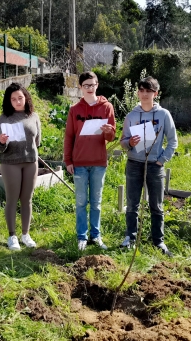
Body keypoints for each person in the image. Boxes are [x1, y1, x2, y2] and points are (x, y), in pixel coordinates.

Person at [120, 76, 178, 257]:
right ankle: (130, 237)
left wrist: (162, 160)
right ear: (137, 92)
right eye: (142, 90)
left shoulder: (163, 115)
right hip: (134, 164)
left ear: (156, 94)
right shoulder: (131, 116)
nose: (145, 94)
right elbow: (122, 141)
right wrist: (130, 143)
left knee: (156, 205)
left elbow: (173, 141)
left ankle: (158, 241)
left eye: (149, 91)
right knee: (132, 204)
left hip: (155, 166)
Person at [63, 71, 116, 251]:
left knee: (96, 202)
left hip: (98, 162)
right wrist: (68, 160)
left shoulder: (107, 107)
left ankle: (96, 235)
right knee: (80, 202)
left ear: (97, 85)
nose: (89, 88)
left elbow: (111, 136)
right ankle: (81, 236)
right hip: (79, 163)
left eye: (92, 85)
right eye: (86, 85)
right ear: (80, 87)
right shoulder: (74, 110)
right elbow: (69, 136)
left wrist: (108, 130)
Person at [0, 83, 41, 251]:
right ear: (9, 101)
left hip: (30, 162)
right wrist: (2, 141)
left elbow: (37, 141)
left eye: (20, 98)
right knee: (12, 199)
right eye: (13, 99)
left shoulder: (33, 116)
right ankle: (12, 235)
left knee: (27, 199)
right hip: (10, 162)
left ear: (26, 98)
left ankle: (25, 234)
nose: (17, 101)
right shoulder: (3, 118)